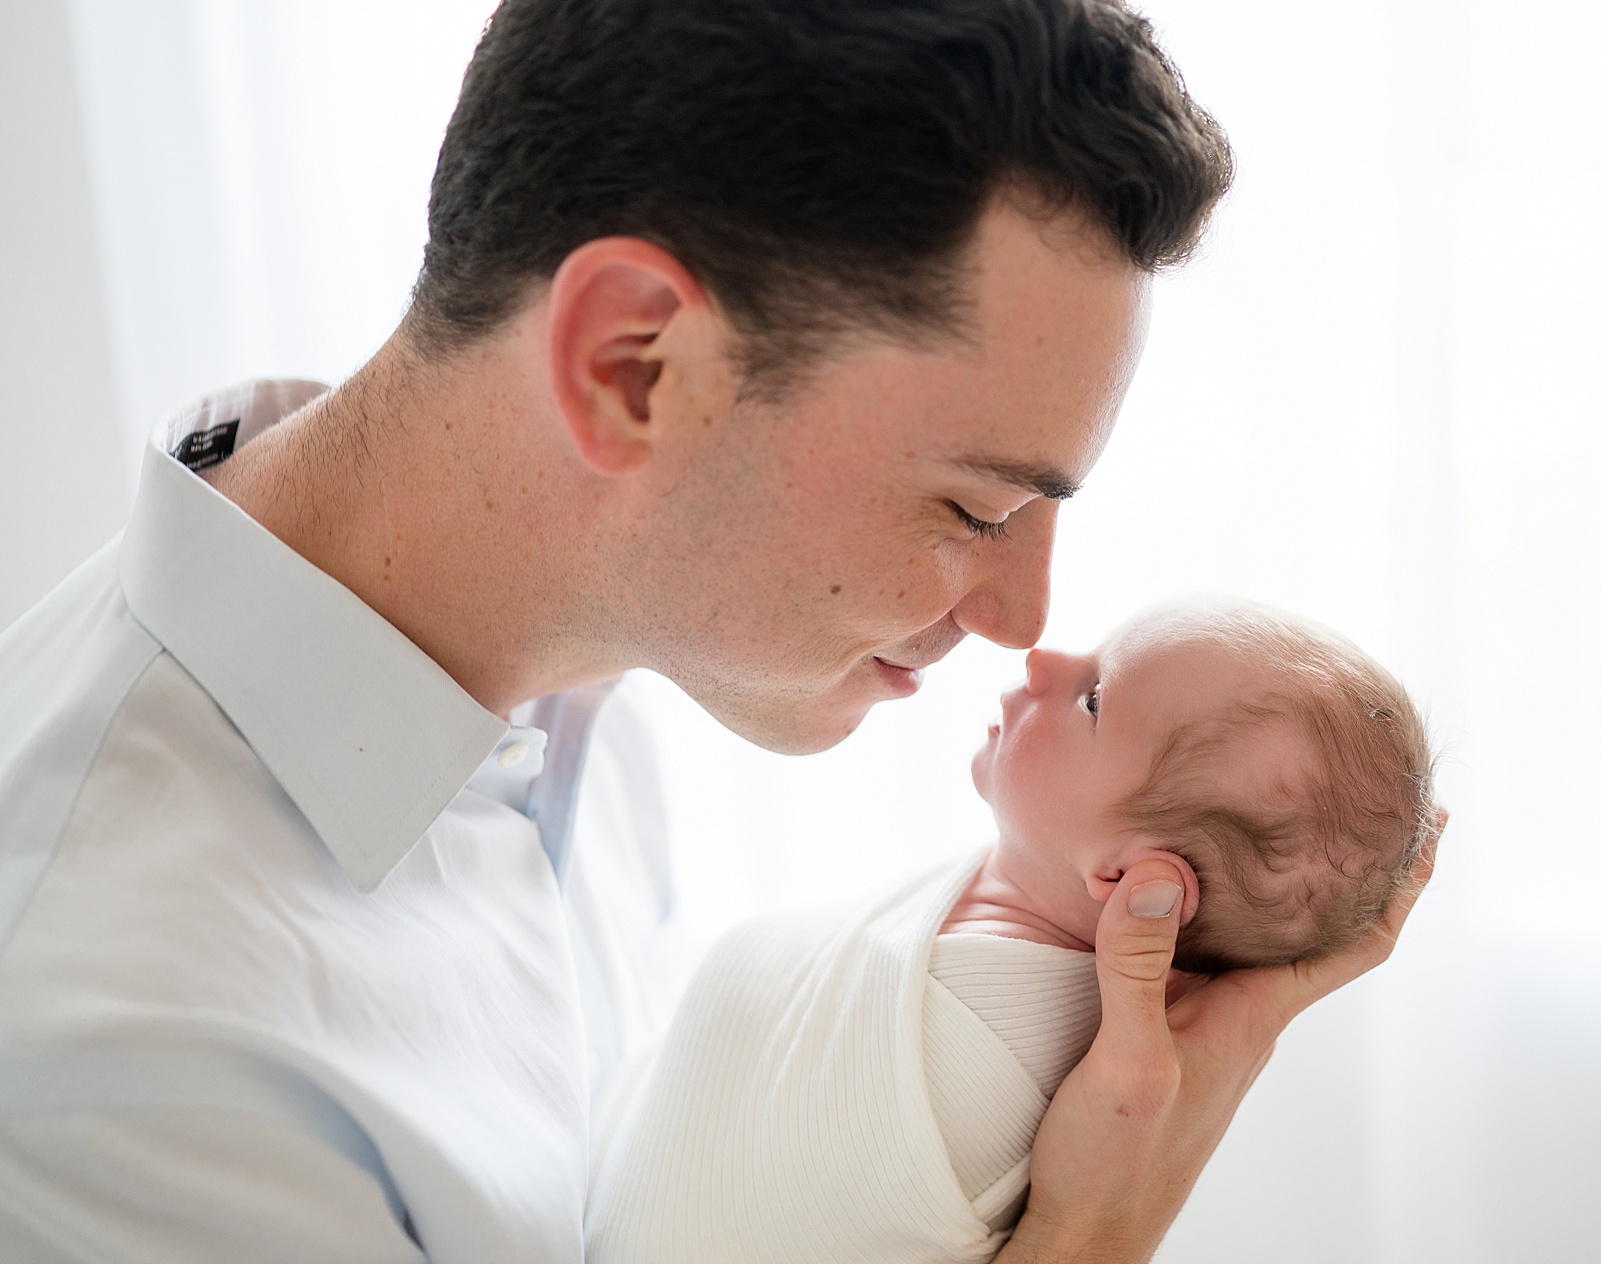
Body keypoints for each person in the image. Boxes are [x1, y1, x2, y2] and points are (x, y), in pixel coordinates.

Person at [0, 1, 1430, 1261]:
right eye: (978, 507)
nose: (1019, 623)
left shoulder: (569, 667)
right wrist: (1090, 1235)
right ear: (634, 365)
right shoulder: (130, 1057)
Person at [586, 599, 1444, 1263]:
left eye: (1096, 698)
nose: (1042, 658)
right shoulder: (1015, 897)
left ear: (1128, 880)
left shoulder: (995, 1052)